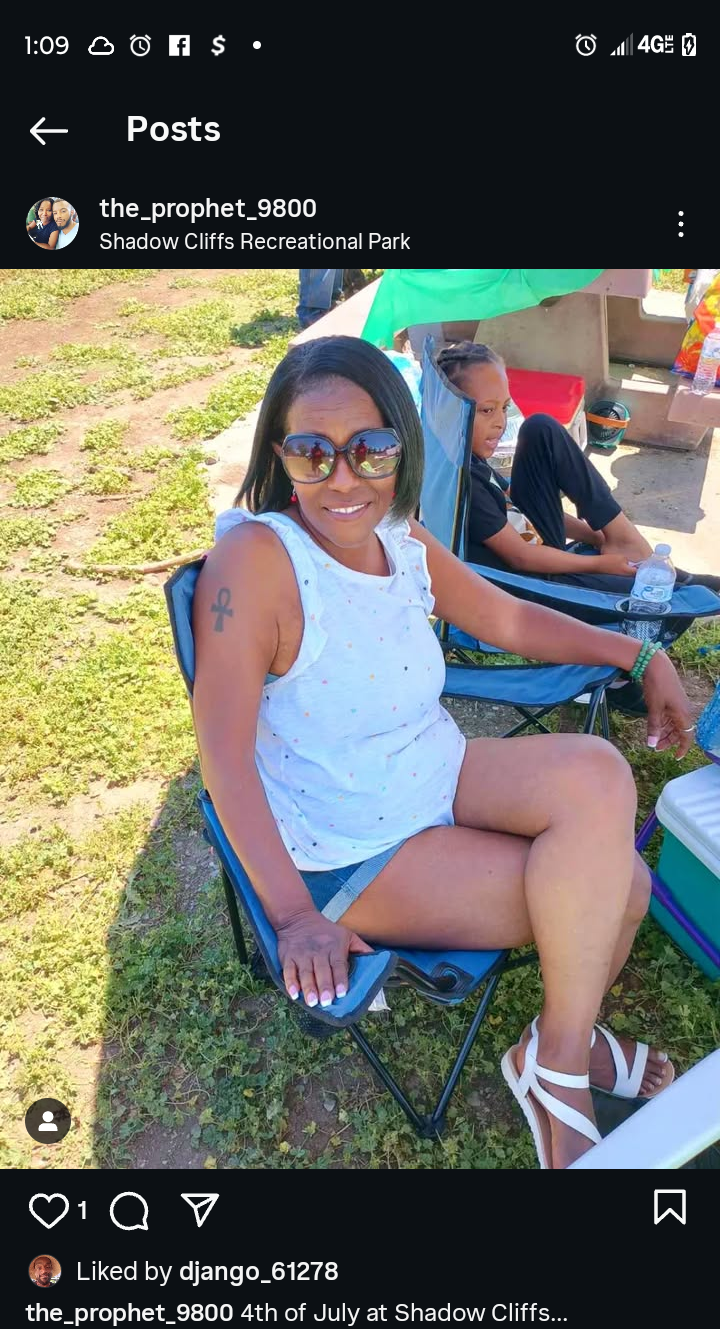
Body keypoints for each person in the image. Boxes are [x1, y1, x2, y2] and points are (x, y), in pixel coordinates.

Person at [197, 335, 692, 1170]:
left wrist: (637, 654)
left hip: (431, 773)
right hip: (352, 845)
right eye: (313, 452)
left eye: (371, 449)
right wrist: (293, 917)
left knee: (598, 772)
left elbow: (504, 617)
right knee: (625, 889)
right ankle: (565, 1065)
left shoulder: (398, 534)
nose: (343, 479)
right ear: (280, 456)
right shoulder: (255, 563)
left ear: (403, 446)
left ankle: (556, 1055)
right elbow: (222, 753)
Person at [435, 342, 720, 595]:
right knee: (648, 593)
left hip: (536, 549)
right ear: (449, 410)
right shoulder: (462, 481)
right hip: (528, 583)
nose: (500, 422)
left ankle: (622, 537)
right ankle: (680, 582)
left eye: (504, 407)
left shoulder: (467, 454)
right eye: (487, 410)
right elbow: (520, 557)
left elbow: (518, 505)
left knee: (540, 428)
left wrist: (597, 536)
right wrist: (600, 563)